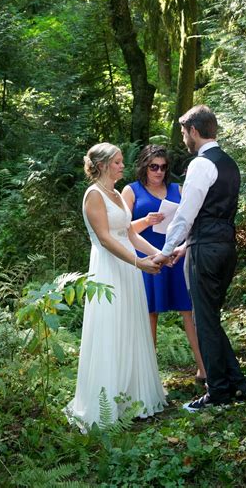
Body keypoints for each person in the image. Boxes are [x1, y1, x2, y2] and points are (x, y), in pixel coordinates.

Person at [65, 143, 167, 431]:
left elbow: (129, 233)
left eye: (123, 161)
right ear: (103, 165)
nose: (124, 166)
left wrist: (158, 255)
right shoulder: (94, 195)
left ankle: (132, 397)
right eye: (119, 162)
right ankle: (106, 402)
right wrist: (139, 263)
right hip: (109, 269)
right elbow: (107, 239)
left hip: (129, 268)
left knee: (131, 326)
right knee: (111, 328)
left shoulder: (117, 194)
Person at [154, 105, 246, 410]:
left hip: (205, 252)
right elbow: (217, 212)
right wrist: (185, 246)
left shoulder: (201, 164)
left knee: (203, 320)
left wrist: (167, 249)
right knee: (210, 318)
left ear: (194, 131)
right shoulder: (229, 163)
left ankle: (218, 393)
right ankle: (237, 383)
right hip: (225, 248)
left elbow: (186, 213)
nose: (184, 139)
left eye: (184, 133)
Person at [121, 145, 206, 383]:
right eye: (153, 167)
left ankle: (203, 368)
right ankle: (149, 379)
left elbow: (192, 223)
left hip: (176, 258)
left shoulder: (176, 189)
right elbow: (122, 230)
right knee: (150, 313)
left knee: (189, 310)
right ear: (144, 166)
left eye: (163, 167)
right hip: (148, 257)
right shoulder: (132, 191)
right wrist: (146, 221)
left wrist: (181, 247)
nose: (159, 172)